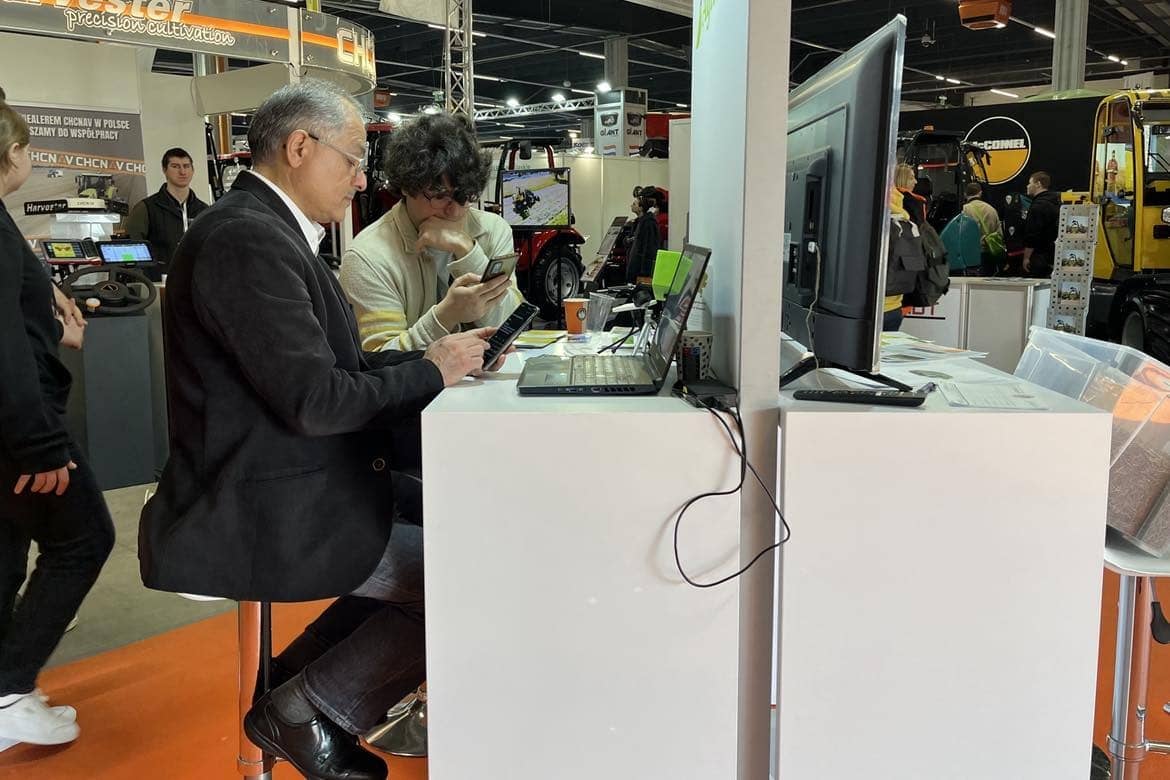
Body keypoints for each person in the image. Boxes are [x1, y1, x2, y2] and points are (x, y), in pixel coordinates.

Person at [138, 79, 500, 780]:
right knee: (471, 576)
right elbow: (315, 399)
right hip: (264, 502)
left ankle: (294, 691)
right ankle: (311, 708)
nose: (363, 178)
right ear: (299, 147)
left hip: (297, 476)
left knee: (467, 528)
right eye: (353, 158)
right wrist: (430, 373)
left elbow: (341, 367)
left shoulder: (263, 231)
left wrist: (436, 360)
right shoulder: (245, 240)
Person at [0, 99, 114, 752]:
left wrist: (55, 341)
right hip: (24, 431)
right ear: (13, 154)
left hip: (12, 427)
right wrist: (41, 444)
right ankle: (11, 689)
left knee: (7, 548)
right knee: (84, 538)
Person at [340, 112, 522, 353]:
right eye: (439, 196)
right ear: (406, 186)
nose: (455, 211)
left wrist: (467, 250)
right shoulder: (368, 257)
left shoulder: (493, 229)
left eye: (464, 196)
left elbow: (512, 325)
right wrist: (446, 316)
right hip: (419, 391)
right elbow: (380, 360)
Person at [124, 147, 208, 280]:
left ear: (193, 170)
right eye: (175, 166)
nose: (182, 171)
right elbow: (130, 252)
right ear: (164, 170)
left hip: (196, 285)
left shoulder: (204, 211)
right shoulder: (146, 208)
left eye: (186, 166)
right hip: (158, 287)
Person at [1022, 171, 1062, 278]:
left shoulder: (1038, 206)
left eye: (1030, 183)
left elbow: (1033, 234)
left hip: (1039, 257)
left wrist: (1026, 257)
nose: (1027, 186)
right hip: (1054, 255)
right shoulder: (1057, 203)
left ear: (1038, 184)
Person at [961, 182, 1004, 275]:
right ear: (980, 193)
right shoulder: (991, 209)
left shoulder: (964, 210)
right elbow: (1000, 233)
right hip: (989, 253)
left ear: (965, 194)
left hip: (971, 254)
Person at [626, 187, 661, 283]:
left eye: (634, 204)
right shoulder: (642, 222)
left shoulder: (649, 223)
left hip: (642, 275)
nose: (631, 206)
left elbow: (649, 251)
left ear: (641, 207)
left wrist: (645, 274)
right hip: (637, 272)